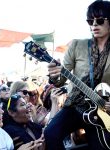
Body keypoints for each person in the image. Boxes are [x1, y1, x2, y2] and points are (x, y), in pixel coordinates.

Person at [44, 1, 110, 150]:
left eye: (100, 20)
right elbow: (60, 81)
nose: (94, 24)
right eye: (90, 21)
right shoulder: (76, 45)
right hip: (75, 105)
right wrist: (54, 75)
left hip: (102, 111)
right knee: (51, 134)